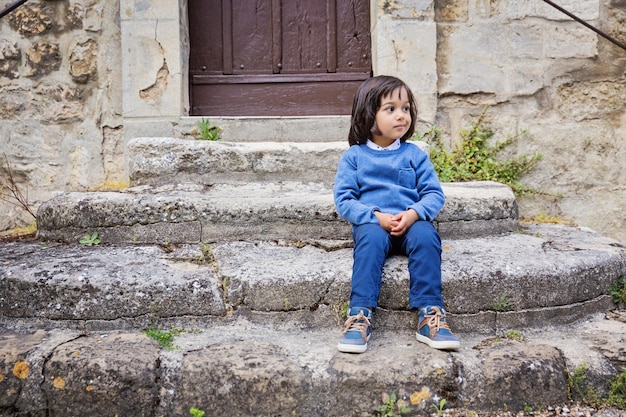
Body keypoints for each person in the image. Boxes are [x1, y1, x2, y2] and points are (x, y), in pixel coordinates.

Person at [333, 75, 460, 353]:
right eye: (390, 109)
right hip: (373, 224)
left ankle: (430, 315)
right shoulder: (354, 157)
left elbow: (434, 194)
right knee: (370, 243)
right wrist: (374, 216)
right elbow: (344, 200)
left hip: (410, 223)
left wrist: (415, 213)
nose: (401, 116)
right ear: (368, 115)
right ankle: (359, 315)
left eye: (406, 108)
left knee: (428, 237)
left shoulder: (414, 155)